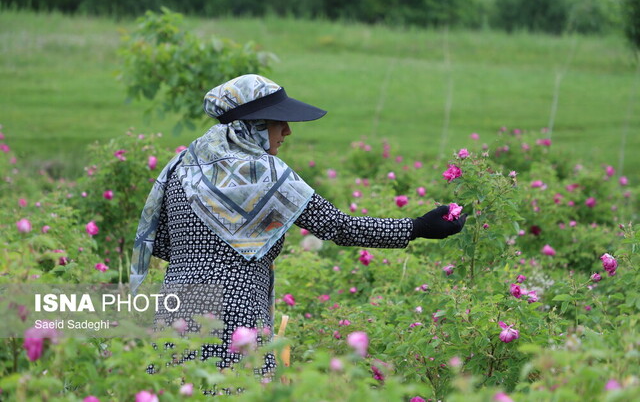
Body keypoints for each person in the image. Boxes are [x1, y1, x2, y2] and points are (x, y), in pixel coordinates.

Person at [130, 74, 466, 379]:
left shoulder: (182, 168)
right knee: (234, 389)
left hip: (176, 305)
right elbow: (337, 226)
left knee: (177, 386)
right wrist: (417, 227)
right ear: (255, 126)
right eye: (279, 123)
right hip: (235, 310)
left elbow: (167, 241)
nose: (287, 132)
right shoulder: (266, 173)